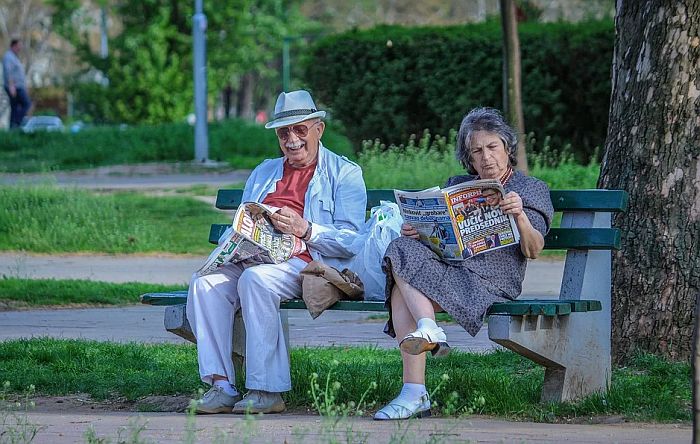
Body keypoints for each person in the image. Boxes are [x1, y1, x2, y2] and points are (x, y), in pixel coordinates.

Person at [187, 90, 367, 414]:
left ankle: (267, 391)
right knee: (204, 284)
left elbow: (353, 242)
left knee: (256, 280)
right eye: (284, 132)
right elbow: (243, 219)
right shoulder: (263, 172)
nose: (292, 139)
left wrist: (306, 229)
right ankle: (221, 385)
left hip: (307, 263)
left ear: (318, 129)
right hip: (256, 257)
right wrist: (236, 241)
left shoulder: (345, 173)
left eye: (300, 129)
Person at [374, 107, 554, 420]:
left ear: (507, 148)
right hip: (452, 271)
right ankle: (428, 330)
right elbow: (441, 238)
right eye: (477, 151)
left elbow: (534, 249)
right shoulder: (458, 185)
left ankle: (414, 390)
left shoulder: (529, 189)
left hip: (492, 283)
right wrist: (420, 231)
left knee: (401, 292)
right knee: (400, 247)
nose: (486, 157)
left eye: (492, 147)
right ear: (469, 158)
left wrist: (520, 215)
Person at [2, 39, 31, 128]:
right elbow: (8, 71)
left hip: (18, 86)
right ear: (13, 46)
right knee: (27, 104)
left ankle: (12, 129)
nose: (20, 48)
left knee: (14, 107)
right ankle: (17, 122)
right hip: (15, 87)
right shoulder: (8, 56)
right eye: (19, 46)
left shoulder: (15, 57)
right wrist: (11, 86)